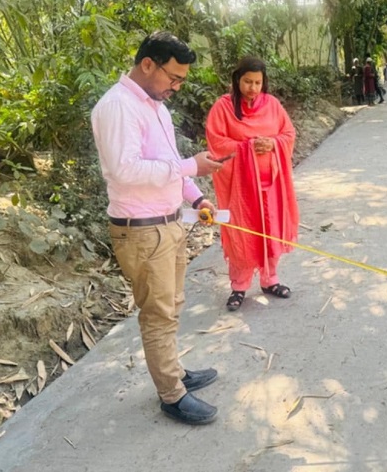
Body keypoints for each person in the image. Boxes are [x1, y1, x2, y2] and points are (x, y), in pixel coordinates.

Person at [92, 31, 224, 425]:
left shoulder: (156, 108)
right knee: (158, 314)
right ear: (148, 64)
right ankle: (172, 394)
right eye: (174, 77)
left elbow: (168, 164)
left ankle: (176, 372)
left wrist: (197, 198)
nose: (177, 86)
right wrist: (190, 166)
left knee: (172, 306)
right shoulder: (117, 107)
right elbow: (126, 170)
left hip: (169, 224)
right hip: (141, 230)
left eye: (182, 79)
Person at [205, 57, 299, 312]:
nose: (253, 88)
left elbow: (288, 134)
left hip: (271, 184)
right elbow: (215, 142)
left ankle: (270, 280)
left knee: (270, 230)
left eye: (258, 82)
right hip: (240, 189)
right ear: (237, 80)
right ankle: (239, 286)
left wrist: (273, 144)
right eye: (248, 81)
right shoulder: (223, 108)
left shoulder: (273, 105)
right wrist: (246, 147)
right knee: (243, 233)